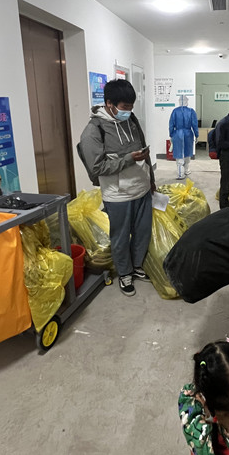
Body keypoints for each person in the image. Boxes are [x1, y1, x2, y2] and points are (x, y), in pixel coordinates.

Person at [78, 79, 155, 297]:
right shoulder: (93, 130)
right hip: (118, 194)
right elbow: (97, 167)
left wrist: (152, 180)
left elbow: (144, 152)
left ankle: (137, 266)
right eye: (124, 107)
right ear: (109, 103)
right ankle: (125, 273)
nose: (128, 111)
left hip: (142, 188)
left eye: (131, 106)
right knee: (120, 236)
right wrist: (129, 159)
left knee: (142, 232)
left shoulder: (132, 120)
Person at [169, 95, 199, 180]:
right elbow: (195, 124)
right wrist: (196, 135)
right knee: (187, 152)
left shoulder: (175, 111)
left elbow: (171, 124)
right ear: (187, 101)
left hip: (177, 134)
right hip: (188, 134)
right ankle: (186, 170)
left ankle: (180, 174)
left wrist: (171, 134)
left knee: (179, 153)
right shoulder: (191, 111)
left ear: (179, 101)